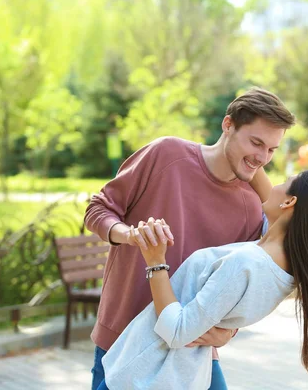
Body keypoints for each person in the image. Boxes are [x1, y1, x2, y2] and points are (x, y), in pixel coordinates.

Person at [84, 87, 295, 390]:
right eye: (256, 142)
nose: (262, 158)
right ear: (228, 125)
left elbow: (236, 289)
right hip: (122, 339)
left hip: (191, 354)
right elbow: (99, 208)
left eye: (272, 150)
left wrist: (227, 333)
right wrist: (129, 236)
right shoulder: (165, 155)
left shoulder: (253, 206)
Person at [97, 171, 308, 390]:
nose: (273, 186)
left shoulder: (247, 264)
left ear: (290, 201)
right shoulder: (282, 268)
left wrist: (155, 260)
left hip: (146, 374)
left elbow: (177, 332)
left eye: (283, 182)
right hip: (175, 375)